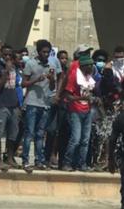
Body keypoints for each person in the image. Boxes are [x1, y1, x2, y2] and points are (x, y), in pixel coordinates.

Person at [21, 39, 57, 171]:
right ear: (38, 52)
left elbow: (52, 87)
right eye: (44, 52)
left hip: (45, 103)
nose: (46, 54)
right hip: (31, 102)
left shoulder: (52, 65)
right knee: (29, 132)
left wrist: (51, 80)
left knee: (40, 134)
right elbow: (23, 84)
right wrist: (36, 79)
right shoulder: (30, 64)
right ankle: (25, 160)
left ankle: (39, 161)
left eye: (48, 52)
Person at [60, 54, 96, 172]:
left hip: (87, 110)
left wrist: (93, 99)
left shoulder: (88, 77)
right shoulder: (75, 77)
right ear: (83, 66)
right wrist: (79, 99)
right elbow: (66, 95)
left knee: (85, 139)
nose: (91, 67)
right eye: (89, 65)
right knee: (76, 138)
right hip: (75, 110)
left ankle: (82, 163)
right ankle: (67, 162)